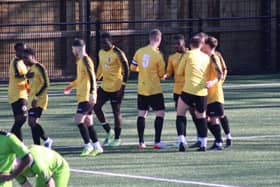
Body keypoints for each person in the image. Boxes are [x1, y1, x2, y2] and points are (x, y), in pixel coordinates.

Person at [176, 35, 222, 152]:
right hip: (202, 92)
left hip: (189, 89)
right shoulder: (207, 57)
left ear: (190, 45)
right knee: (201, 117)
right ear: (201, 45)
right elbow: (217, 72)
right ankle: (203, 144)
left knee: (180, 114)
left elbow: (179, 72)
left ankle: (182, 140)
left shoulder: (187, 54)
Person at [64, 38, 103, 156]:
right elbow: (81, 79)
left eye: (72, 49)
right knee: (88, 121)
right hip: (82, 96)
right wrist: (70, 86)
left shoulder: (86, 60)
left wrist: (93, 93)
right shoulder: (80, 61)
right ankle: (97, 146)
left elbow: (92, 76)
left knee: (78, 119)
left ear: (77, 48)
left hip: (87, 96)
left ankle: (88, 145)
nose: (72, 51)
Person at [130, 29, 166, 149]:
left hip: (142, 88)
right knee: (160, 113)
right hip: (154, 88)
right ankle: (157, 141)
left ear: (149, 38)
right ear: (159, 40)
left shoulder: (139, 51)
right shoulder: (157, 55)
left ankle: (141, 142)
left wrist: (143, 71)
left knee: (142, 114)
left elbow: (133, 67)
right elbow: (161, 74)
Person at [94, 32, 129, 146]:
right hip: (104, 87)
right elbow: (100, 67)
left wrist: (123, 86)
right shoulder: (101, 52)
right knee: (96, 106)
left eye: (105, 42)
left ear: (111, 41)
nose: (103, 45)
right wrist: (95, 78)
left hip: (116, 88)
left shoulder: (118, 53)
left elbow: (126, 69)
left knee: (116, 112)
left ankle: (117, 138)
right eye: (101, 43)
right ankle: (109, 131)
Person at [22, 48, 53, 148]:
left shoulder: (39, 67)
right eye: (23, 58)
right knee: (32, 124)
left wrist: (36, 96)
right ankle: (37, 146)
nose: (24, 60)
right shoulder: (30, 70)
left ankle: (47, 139)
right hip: (31, 100)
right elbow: (29, 85)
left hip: (40, 99)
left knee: (32, 121)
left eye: (26, 58)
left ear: (33, 57)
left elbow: (46, 84)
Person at [202, 36, 225, 150]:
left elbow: (220, 74)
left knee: (213, 119)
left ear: (207, 45)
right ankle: (218, 140)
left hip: (215, 94)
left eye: (204, 44)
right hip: (208, 94)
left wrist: (212, 82)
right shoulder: (206, 57)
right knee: (206, 119)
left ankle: (219, 142)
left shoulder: (214, 57)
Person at [8, 43, 28, 141]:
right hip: (16, 94)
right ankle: (10, 137)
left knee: (19, 119)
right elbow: (17, 75)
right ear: (16, 51)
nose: (23, 52)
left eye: (25, 50)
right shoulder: (15, 62)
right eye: (21, 50)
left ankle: (19, 142)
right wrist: (28, 75)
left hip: (22, 92)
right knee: (23, 118)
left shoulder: (23, 61)